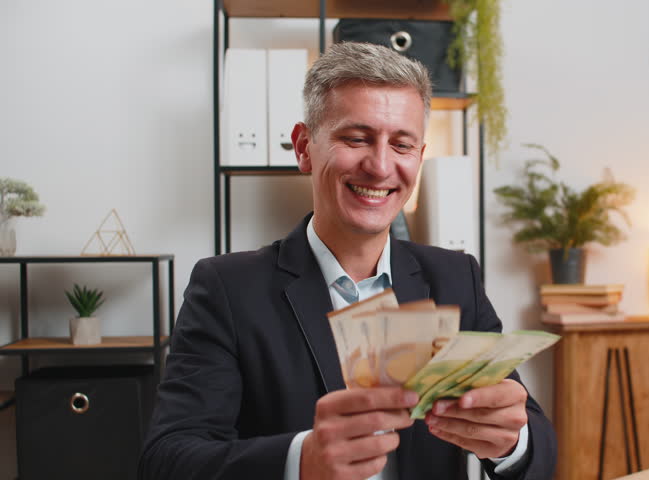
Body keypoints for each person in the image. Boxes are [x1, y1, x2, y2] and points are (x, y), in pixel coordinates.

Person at [139, 42, 556, 480]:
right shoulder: (226, 289)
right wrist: (300, 460)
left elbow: (538, 446)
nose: (379, 166)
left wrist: (513, 442)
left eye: (402, 144)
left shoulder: (455, 277)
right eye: (356, 139)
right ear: (303, 147)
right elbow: (167, 462)